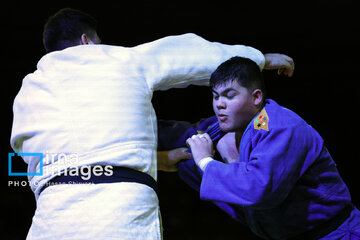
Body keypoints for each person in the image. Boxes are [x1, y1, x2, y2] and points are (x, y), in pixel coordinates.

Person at [10, 8, 295, 240]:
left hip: (50, 219)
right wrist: (258, 59)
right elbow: (187, 55)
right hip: (120, 214)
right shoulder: (120, 59)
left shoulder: (28, 91)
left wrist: (153, 159)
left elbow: (29, 153)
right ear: (87, 41)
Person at [163, 56, 360, 239]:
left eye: (229, 96)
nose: (219, 105)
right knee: (187, 163)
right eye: (215, 96)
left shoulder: (282, 127)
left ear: (256, 98)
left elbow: (258, 188)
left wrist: (205, 161)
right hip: (285, 234)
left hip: (336, 234)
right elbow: (182, 134)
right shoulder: (228, 125)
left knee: (197, 164)